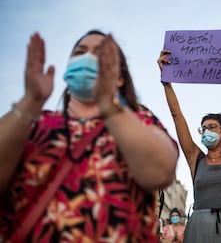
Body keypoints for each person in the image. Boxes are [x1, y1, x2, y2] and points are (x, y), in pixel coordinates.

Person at [0, 31, 179, 242]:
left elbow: (160, 173)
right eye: (80, 52)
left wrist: (109, 105)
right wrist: (31, 100)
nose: (88, 58)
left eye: (101, 54)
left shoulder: (140, 121)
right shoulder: (32, 122)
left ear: (119, 78)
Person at [157, 42, 221, 242]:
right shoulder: (195, 158)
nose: (206, 131)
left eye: (212, 127)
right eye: (203, 128)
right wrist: (166, 81)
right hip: (199, 228)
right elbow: (177, 116)